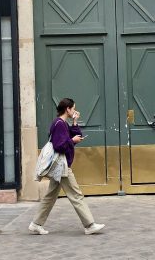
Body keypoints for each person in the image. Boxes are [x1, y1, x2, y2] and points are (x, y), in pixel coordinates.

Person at [29, 97, 105, 236]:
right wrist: (72, 141)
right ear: (67, 109)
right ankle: (89, 225)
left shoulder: (63, 123)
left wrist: (75, 123)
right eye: (73, 108)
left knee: (50, 197)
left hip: (61, 166)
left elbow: (76, 136)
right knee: (76, 195)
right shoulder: (59, 124)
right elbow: (60, 146)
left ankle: (36, 224)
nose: (75, 110)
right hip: (62, 167)